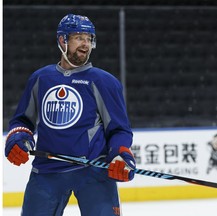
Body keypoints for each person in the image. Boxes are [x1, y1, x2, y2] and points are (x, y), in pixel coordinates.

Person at [5, 14, 136, 216]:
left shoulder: (104, 82)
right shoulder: (41, 78)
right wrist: (18, 138)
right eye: (78, 38)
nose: (85, 44)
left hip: (92, 170)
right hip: (47, 170)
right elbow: (23, 120)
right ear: (62, 40)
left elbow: (119, 129)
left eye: (89, 39)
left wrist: (121, 154)